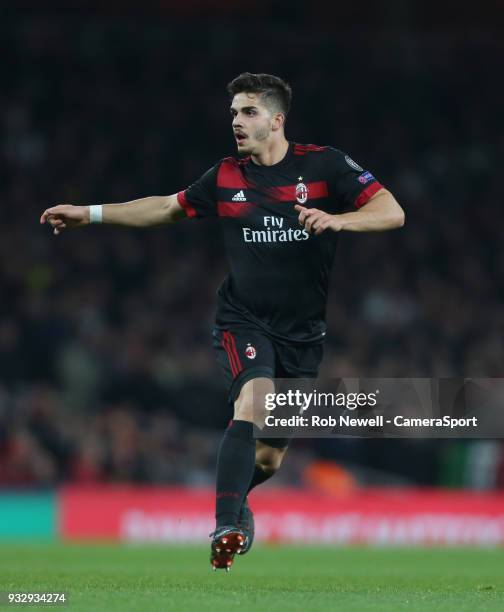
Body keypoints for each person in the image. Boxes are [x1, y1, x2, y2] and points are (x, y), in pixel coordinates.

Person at [40, 72, 405, 571]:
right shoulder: (226, 176)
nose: (236, 120)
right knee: (253, 403)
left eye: (249, 112)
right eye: (233, 112)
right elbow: (167, 208)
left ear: (277, 120)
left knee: (269, 458)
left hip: (303, 335)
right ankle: (226, 524)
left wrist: (341, 219)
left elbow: (392, 211)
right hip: (243, 320)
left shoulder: (326, 165)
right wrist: (91, 213)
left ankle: (238, 504)